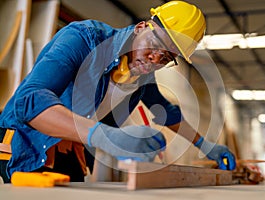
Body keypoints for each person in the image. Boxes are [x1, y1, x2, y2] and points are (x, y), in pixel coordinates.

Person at [0, 1, 236, 183]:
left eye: (166, 57)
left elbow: (167, 112)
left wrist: (205, 145)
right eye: (155, 45)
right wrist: (105, 136)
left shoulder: (142, 75)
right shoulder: (84, 38)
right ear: (141, 27)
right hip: (24, 145)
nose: (154, 58)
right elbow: (29, 100)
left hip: (69, 152)